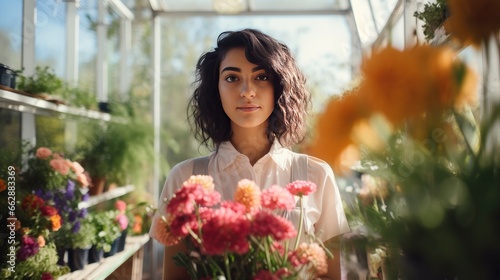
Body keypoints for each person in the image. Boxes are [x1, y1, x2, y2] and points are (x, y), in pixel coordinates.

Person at [149, 28, 350, 280]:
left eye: (262, 76)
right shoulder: (184, 178)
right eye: (232, 78)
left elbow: (332, 276)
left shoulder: (317, 176)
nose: (246, 91)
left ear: (280, 85)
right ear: (216, 88)